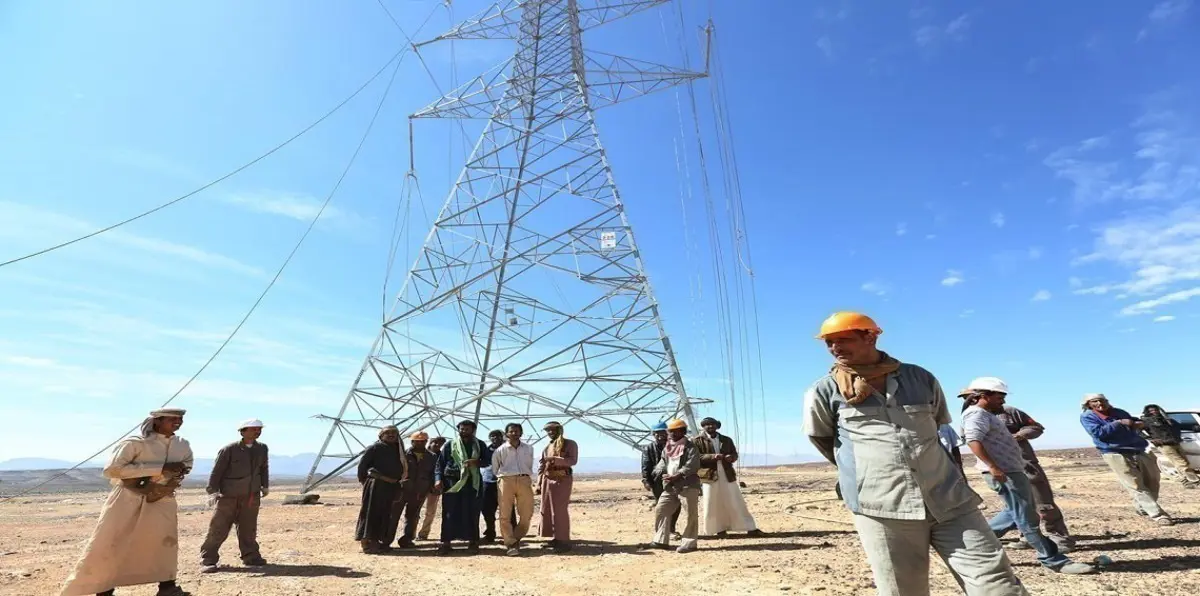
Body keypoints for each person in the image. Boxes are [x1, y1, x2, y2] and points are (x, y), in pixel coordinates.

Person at [802, 312, 1027, 596]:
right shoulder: (825, 390)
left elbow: (936, 427)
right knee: (903, 590)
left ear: (871, 336)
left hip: (948, 499)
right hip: (881, 506)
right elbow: (824, 439)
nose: (835, 348)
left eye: (843, 339)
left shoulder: (920, 378)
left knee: (997, 583)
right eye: (829, 343)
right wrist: (868, 471)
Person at [959, 384, 1094, 575]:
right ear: (983, 396)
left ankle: (972, 547)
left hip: (1012, 470)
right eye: (999, 397)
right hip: (1003, 472)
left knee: (1014, 513)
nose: (1003, 401)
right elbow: (973, 441)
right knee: (1026, 518)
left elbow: (1034, 428)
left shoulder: (987, 414)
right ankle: (1052, 559)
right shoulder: (976, 415)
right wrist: (993, 467)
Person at [60, 408, 195, 596]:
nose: (177, 422)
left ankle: (167, 587)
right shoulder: (134, 444)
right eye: (171, 419)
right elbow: (113, 470)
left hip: (161, 498)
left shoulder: (182, 444)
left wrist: (173, 476)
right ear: (157, 421)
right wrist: (159, 468)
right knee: (112, 541)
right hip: (128, 498)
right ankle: (103, 589)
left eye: (180, 419)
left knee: (163, 543)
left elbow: (187, 464)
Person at [973, 380, 1074, 549]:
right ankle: (1027, 537)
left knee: (1043, 502)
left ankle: (1059, 538)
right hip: (1000, 469)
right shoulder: (973, 417)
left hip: (1025, 463)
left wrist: (1018, 436)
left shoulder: (1009, 412)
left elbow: (1036, 427)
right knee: (1016, 505)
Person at [1081, 394, 1173, 525]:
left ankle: (1143, 507)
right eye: (1094, 402)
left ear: (1107, 401)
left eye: (1101, 401)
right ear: (1088, 404)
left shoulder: (1118, 412)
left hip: (1138, 448)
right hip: (1114, 452)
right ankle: (1158, 514)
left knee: (1153, 479)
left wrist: (1139, 424)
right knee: (1135, 484)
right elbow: (1098, 433)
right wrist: (1118, 423)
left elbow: (1132, 421)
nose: (1099, 404)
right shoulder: (1088, 416)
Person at [199, 419, 269, 573]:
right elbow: (217, 471)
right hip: (229, 496)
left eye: (259, 429)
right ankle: (208, 559)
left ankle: (251, 557)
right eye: (254, 429)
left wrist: (265, 485)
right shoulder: (229, 449)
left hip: (251, 495)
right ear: (243, 431)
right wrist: (212, 491)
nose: (257, 432)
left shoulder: (262, 448)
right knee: (219, 527)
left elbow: (264, 468)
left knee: (248, 528)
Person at [694, 417, 764, 537]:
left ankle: (749, 528)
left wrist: (730, 458)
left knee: (735, 500)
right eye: (707, 425)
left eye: (712, 424)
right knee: (712, 503)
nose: (710, 426)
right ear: (703, 427)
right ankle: (718, 530)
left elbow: (734, 454)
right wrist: (713, 457)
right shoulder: (696, 441)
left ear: (717, 426)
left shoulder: (726, 440)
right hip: (709, 476)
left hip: (727, 474)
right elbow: (696, 457)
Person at [435, 420, 491, 555]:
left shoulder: (480, 445)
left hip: (472, 484)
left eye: (467, 429)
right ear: (458, 429)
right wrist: (437, 480)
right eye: (462, 428)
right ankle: (446, 542)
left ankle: (473, 542)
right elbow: (440, 464)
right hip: (452, 484)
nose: (464, 431)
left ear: (473, 430)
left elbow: (488, 461)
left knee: (472, 513)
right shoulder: (450, 444)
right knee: (449, 513)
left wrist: (476, 462)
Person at [648, 418, 701, 553]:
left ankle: (689, 543)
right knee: (662, 510)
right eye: (670, 431)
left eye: (675, 431)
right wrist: (658, 473)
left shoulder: (690, 447)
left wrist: (678, 475)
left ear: (682, 432)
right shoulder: (668, 447)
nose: (671, 434)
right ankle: (660, 541)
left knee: (690, 515)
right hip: (670, 485)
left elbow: (693, 464)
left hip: (687, 485)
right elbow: (663, 462)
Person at [355, 426, 408, 553]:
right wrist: (367, 483)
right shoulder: (375, 448)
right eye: (387, 433)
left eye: (394, 433)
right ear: (381, 436)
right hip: (376, 485)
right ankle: (367, 542)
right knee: (371, 513)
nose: (391, 435)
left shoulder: (398, 449)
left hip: (391, 486)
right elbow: (362, 467)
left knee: (385, 514)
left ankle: (378, 541)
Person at [491, 422, 536, 556]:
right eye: (511, 431)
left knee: (527, 514)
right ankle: (510, 544)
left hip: (524, 480)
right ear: (506, 434)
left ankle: (515, 537)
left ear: (521, 433)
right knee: (505, 514)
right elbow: (495, 468)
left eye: (517, 431)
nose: (514, 433)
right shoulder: (500, 450)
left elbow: (529, 463)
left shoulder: (528, 448)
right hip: (506, 480)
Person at [538, 421, 578, 553]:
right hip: (547, 479)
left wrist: (555, 459)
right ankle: (556, 538)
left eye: (553, 429)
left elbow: (572, 460)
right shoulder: (546, 447)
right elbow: (541, 465)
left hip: (562, 479)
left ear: (560, 430)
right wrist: (539, 482)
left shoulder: (570, 444)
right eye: (548, 430)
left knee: (560, 511)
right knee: (547, 510)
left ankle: (564, 541)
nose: (550, 432)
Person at [395, 431, 437, 548]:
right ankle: (386, 539)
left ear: (426, 442)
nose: (420, 443)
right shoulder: (403, 455)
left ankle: (407, 539)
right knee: (394, 515)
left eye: (422, 441)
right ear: (412, 441)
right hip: (402, 490)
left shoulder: (432, 457)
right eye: (417, 441)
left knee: (413, 516)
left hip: (420, 491)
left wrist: (432, 487)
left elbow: (434, 473)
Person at [1141, 404, 1200, 487]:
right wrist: (1150, 439)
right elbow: (1137, 430)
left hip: (1175, 442)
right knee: (1181, 463)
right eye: (1151, 411)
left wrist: (1178, 436)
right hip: (1164, 445)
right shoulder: (1146, 421)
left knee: (1184, 462)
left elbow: (1178, 427)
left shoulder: (1166, 419)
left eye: (1155, 410)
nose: (1154, 412)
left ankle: (1186, 481)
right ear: (1147, 412)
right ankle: (1195, 480)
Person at [641, 421, 679, 537]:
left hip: (674, 480)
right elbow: (645, 466)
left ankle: (671, 529)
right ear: (653, 435)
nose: (660, 435)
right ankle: (662, 531)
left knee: (676, 505)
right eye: (657, 433)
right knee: (661, 506)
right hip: (657, 482)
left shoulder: (675, 446)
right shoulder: (649, 449)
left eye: (663, 433)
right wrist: (646, 481)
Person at [417, 435, 448, 539]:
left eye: (440, 444)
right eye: (435, 442)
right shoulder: (421, 454)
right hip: (420, 486)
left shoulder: (442, 457)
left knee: (430, 512)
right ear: (430, 442)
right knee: (415, 511)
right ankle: (410, 534)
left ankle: (423, 533)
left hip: (434, 488)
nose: (437, 445)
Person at [480, 429, 505, 543]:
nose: (495, 438)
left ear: (502, 437)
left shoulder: (509, 448)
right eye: (492, 436)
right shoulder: (486, 450)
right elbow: (483, 463)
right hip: (488, 481)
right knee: (487, 509)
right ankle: (490, 532)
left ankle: (510, 534)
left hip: (504, 481)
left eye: (497, 436)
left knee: (507, 509)